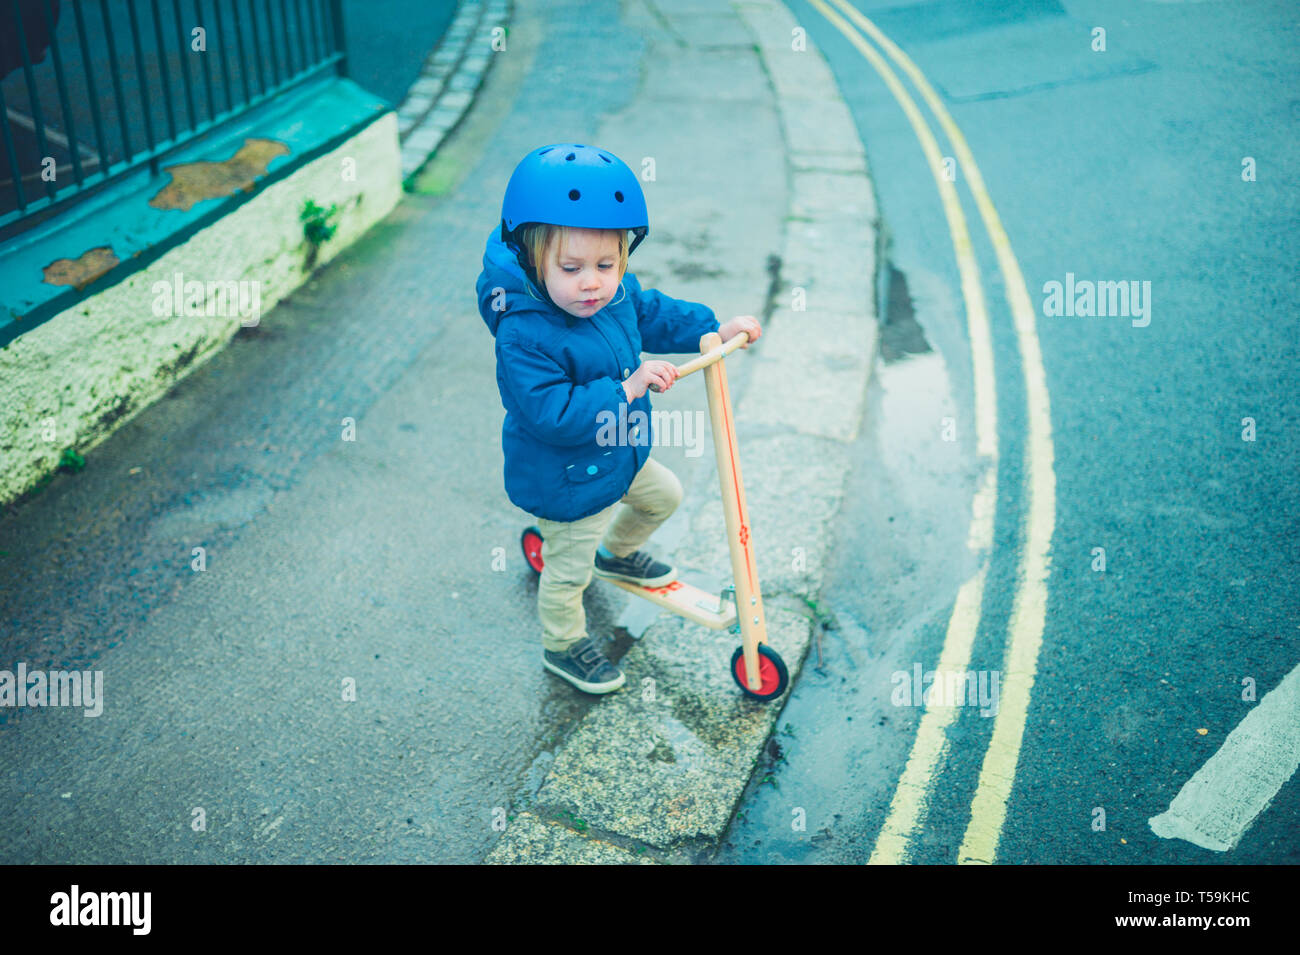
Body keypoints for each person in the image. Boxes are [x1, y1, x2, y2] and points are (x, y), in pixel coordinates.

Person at [476, 143, 761, 694]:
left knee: (664, 497)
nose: (592, 283)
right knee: (566, 575)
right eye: (572, 268)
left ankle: (619, 554)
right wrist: (627, 390)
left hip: (619, 452)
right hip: (566, 480)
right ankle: (562, 646)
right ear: (533, 261)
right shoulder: (524, 334)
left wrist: (712, 328)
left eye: (607, 265)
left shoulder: (613, 293)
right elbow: (551, 415)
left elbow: (651, 312)